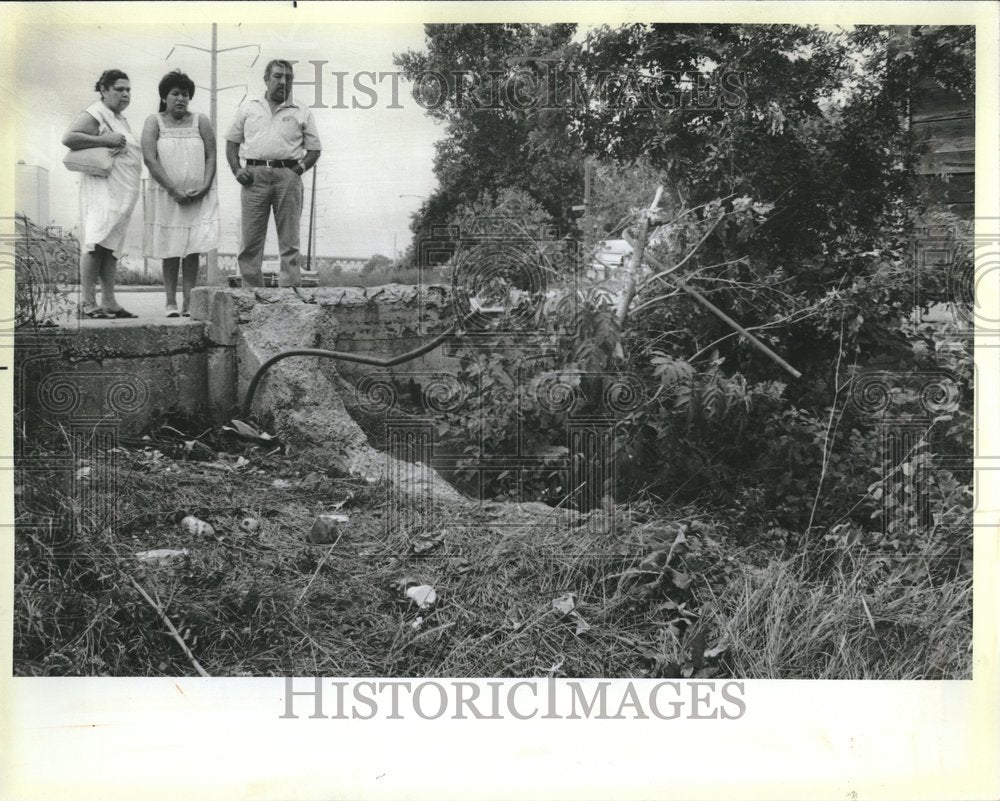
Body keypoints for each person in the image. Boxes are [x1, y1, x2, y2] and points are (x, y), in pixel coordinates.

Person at [225, 59, 321, 288]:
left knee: (290, 243)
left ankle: (290, 296)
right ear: (266, 79)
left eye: (288, 77)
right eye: (277, 76)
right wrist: (237, 170)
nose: (283, 81)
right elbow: (231, 143)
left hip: (287, 177)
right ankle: (251, 297)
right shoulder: (249, 107)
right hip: (254, 177)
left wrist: (297, 171)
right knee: (250, 242)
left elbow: (315, 149)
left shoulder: (301, 110)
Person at [63, 69, 142, 319]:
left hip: (122, 191)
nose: (125, 94)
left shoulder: (120, 118)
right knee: (96, 241)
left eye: (128, 89)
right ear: (104, 90)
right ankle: (87, 303)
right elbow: (70, 138)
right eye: (119, 89)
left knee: (111, 246)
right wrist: (106, 141)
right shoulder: (96, 112)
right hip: (102, 188)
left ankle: (109, 301)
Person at [141, 70, 220, 317]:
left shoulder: (201, 120)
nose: (180, 99)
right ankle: (170, 302)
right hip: (167, 194)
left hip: (197, 194)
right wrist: (173, 189)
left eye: (185, 94)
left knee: (193, 247)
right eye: (175, 93)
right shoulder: (154, 121)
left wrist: (205, 186)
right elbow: (150, 158)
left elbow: (211, 155)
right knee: (171, 247)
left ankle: (189, 301)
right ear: (164, 97)